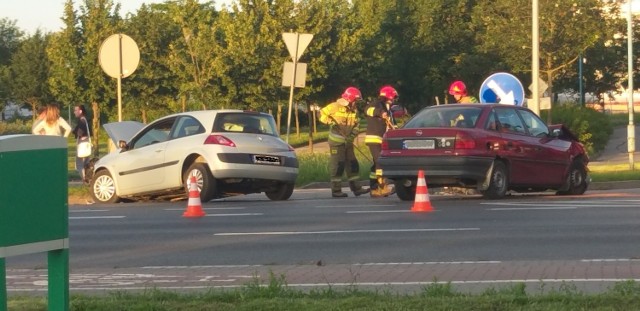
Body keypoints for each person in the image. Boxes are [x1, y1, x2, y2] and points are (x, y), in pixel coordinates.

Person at [319, 87, 370, 198]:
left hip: (348, 142)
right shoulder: (335, 106)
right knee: (338, 166)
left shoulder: (353, 110)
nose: (356, 103)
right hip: (336, 142)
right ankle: (336, 191)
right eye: (355, 100)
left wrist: (352, 137)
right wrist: (330, 121)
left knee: (353, 165)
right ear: (350, 99)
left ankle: (357, 188)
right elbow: (321, 114)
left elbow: (357, 125)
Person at [364, 85, 398, 197]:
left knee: (376, 165)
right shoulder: (377, 104)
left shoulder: (388, 109)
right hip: (374, 138)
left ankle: (374, 189)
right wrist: (380, 112)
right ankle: (383, 187)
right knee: (380, 162)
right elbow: (367, 110)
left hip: (383, 139)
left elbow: (392, 123)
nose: (393, 100)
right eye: (393, 97)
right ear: (388, 96)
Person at [72, 105, 91, 183]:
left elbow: (80, 132)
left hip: (82, 142)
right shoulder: (85, 120)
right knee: (86, 162)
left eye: (76, 110)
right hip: (87, 142)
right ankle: (89, 178)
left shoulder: (82, 120)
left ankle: (84, 179)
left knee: (79, 163)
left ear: (80, 111)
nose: (74, 112)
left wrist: (76, 131)